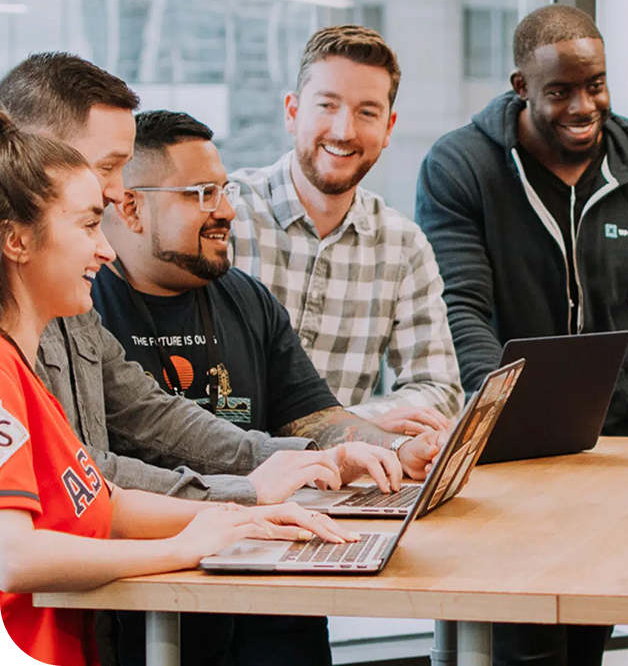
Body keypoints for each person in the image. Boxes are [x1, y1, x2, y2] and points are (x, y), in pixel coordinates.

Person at [0, 111, 355, 666]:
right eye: (89, 224)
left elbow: (103, 499)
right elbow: (11, 555)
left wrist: (239, 512)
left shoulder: (24, 373)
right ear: (17, 239)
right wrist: (181, 547)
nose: (107, 249)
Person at [92, 110, 445, 666]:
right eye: (201, 194)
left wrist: (393, 448)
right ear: (131, 206)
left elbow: (312, 416)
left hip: (274, 577)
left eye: (225, 190)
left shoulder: (247, 298)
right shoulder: (86, 312)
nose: (226, 211)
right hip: (152, 593)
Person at [415, 4, 628, 666]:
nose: (583, 105)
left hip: (616, 456)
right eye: (560, 91)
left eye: (595, 85)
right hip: (509, 459)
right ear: (520, 87)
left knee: (584, 645)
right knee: (519, 647)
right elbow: (462, 309)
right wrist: (504, 419)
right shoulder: (462, 167)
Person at [0, 53, 400, 506]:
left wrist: (306, 458)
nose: (115, 191)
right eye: (108, 166)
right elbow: (83, 476)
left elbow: (151, 416)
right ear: (32, 155)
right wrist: (245, 494)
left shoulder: (69, 303)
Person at [229, 25, 462, 437]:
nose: (344, 131)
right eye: (327, 105)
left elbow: (439, 388)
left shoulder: (402, 246)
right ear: (291, 112)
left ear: (389, 128)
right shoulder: (227, 215)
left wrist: (354, 426)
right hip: (237, 478)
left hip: (347, 480)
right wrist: (345, 427)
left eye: (366, 112)